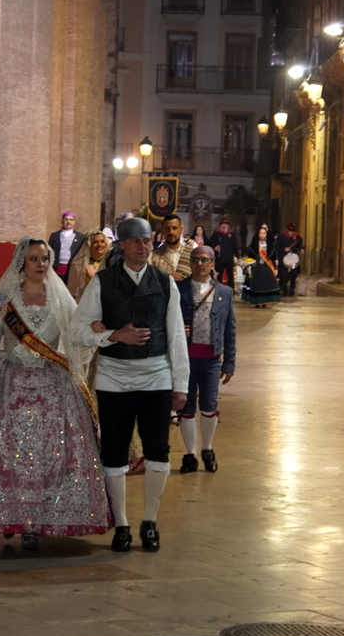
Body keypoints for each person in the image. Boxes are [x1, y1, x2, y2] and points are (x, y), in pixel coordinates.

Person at [0, 237, 111, 550]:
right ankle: (9, 514)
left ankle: (34, 519)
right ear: (22, 263)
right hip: (8, 383)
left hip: (52, 385)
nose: (41, 264)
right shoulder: (3, 299)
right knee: (4, 452)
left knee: (48, 454)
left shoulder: (61, 298)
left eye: (45, 258)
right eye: (34, 259)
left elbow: (77, 339)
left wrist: (98, 332)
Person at [72, 217, 189, 553]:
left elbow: (177, 338)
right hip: (113, 379)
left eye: (147, 241)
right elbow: (78, 331)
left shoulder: (166, 283)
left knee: (158, 453)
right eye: (135, 241)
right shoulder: (103, 283)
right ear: (120, 245)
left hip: (157, 378)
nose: (143, 246)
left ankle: (150, 520)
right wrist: (113, 335)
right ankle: (121, 524)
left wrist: (180, 383)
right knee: (114, 454)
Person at [175, 246, 236, 474]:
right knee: (186, 406)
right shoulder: (178, 289)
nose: (200, 264)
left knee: (209, 405)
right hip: (185, 359)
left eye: (205, 260)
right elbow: (167, 321)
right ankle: (190, 454)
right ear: (190, 263)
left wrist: (229, 362)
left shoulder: (224, 292)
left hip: (211, 360)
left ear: (212, 264)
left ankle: (207, 448)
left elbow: (230, 330)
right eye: (196, 259)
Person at [242, 223, 281, 308]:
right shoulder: (254, 245)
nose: (262, 235)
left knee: (266, 285)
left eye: (264, 233)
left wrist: (276, 268)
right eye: (260, 233)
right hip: (256, 268)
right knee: (257, 285)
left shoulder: (271, 245)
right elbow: (248, 256)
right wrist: (248, 266)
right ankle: (257, 302)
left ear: (266, 234)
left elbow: (275, 257)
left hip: (267, 268)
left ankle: (265, 302)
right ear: (258, 234)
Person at [67, 229, 110, 301]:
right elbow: (72, 289)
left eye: (102, 241)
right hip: (85, 301)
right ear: (89, 245)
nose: (99, 245)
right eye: (95, 242)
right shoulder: (78, 265)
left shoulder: (111, 263)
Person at [150, 214, 190, 280]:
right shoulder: (152, 256)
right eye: (167, 228)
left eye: (174, 228)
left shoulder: (191, 254)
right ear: (162, 230)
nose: (171, 232)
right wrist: (167, 278)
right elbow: (148, 280)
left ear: (181, 230)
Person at [48, 212, 85, 283]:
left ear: (74, 222)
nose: (68, 222)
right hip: (57, 267)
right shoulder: (54, 236)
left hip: (73, 268)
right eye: (66, 219)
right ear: (62, 221)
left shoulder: (81, 237)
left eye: (71, 220)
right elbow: (49, 251)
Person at [208, 219, 239, 286]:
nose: (224, 226)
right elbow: (210, 243)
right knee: (219, 276)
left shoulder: (232, 234)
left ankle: (231, 290)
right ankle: (218, 289)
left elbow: (235, 246)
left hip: (229, 259)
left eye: (225, 225)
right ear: (220, 226)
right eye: (222, 225)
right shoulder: (216, 234)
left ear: (228, 226)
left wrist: (238, 257)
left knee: (230, 276)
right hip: (220, 259)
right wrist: (214, 247)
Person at [277, 224, 304, 297]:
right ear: (287, 230)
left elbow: (300, 245)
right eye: (290, 231)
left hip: (293, 259)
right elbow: (277, 246)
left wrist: (301, 249)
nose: (291, 233)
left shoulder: (297, 237)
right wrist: (283, 249)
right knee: (283, 275)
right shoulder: (281, 236)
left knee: (293, 274)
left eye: (292, 231)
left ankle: (292, 289)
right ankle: (284, 289)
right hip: (283, 257)